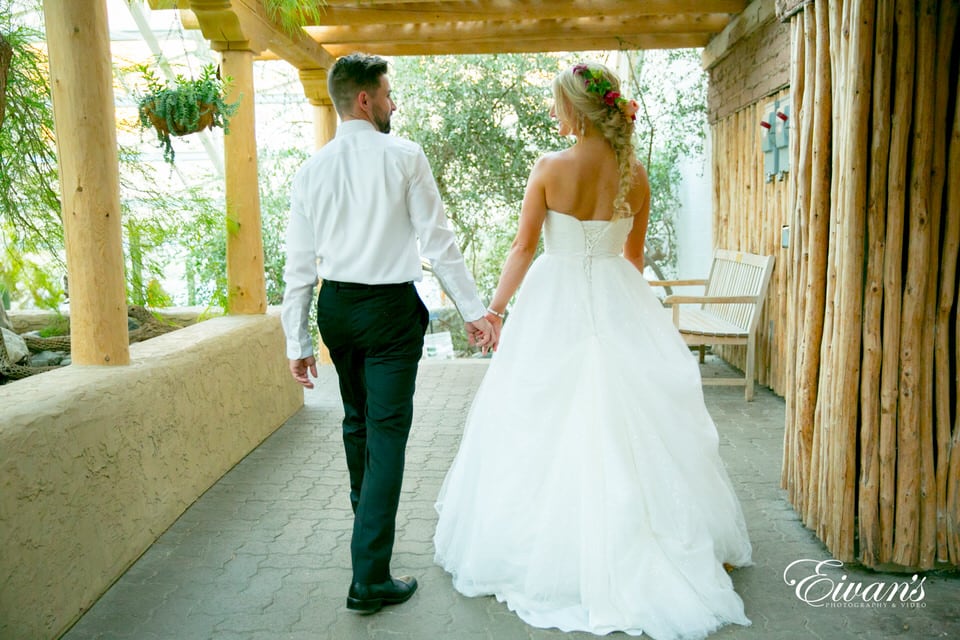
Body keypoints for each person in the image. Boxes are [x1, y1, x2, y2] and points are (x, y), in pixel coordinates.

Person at [433, 62, 753, 639]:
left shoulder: (550, 167)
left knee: (541, 417)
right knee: (635, 416)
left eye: (559, 105)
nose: (555, 115)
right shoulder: (635, 172)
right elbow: (632, 258)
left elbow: (523, 247)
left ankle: (559, 551)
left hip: (552, 303)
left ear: (576, 109)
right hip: (617, 295)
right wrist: (620, 308)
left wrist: (495, 312)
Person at [280, 52, 498, 615]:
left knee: (358, 424)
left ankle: (366, 546)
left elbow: (299, 269)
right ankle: (370, 575)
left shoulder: (310, 171)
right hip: (390, 313)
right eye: (387, 93)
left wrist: (297, 344)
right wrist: (474, 310)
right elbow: (438, 241)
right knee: (388, 435)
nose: (392, 103)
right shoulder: (404, 155)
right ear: (364, 100)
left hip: (337, 308)